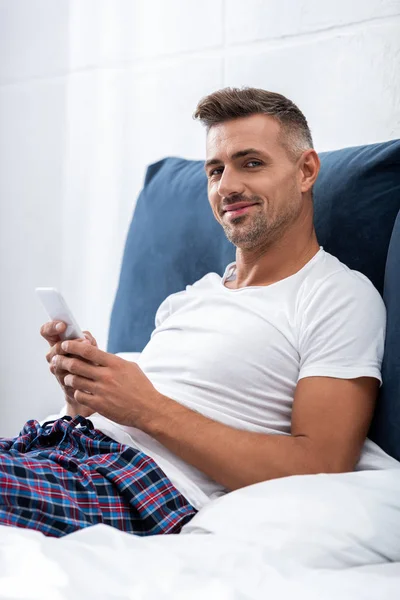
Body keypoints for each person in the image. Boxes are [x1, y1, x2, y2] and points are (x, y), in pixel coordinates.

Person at [1, 87, 398, 539]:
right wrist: (85, 393)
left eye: (251, 163)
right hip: (60, 448)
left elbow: (322, 466)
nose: (226, 186)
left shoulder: (336, 296)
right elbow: (136, 410)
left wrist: (143, 407)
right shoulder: (191, 298)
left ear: (306, 171)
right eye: (215, 170)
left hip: (137, 485)